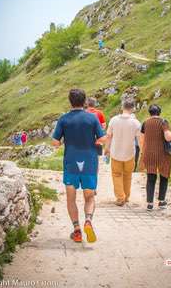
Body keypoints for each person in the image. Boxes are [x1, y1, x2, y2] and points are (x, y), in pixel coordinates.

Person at [52, 89, 105, 243]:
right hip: (89, 162)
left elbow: (55, 143)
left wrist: (63, 140)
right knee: (89, 197)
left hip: (71, 163)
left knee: (71, 198)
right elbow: (102, 139)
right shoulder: (92, 118)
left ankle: (77, 230)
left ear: (70, 101)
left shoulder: (63, 119)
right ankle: (88, 221)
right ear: (85, 102)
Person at [105, 99, 141, 206]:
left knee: (116, 175)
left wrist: (106, 149)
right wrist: (142, 152)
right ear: (133, 108)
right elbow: (139, 140)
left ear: (122, 107)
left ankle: (120, 197)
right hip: (130, 153)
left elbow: (108, 136)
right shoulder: (136, 123)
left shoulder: (113, 120)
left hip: (116, 152)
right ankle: (126, 196)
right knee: (128, 175)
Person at [139, 104, 171, 211]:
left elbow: (142, 139)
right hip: (162, 154)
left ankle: (149, 203)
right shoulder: (163, 121)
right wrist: (170, 134)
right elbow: (168, 138)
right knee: (164, 176)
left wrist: (143, 152)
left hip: (149, 153)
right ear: (160, 112)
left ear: (150, 112)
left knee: (151, 177)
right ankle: (161, 201)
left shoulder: (145, 123)